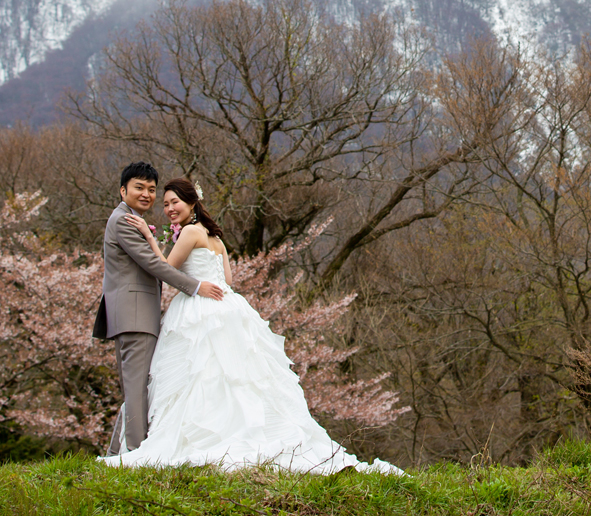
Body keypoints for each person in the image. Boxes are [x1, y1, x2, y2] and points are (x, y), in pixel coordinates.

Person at [101, 176, 403, 475]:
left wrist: (151, 238)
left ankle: (194, 436)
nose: (168, 208)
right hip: (228, 308)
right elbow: (229, 281)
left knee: (198, 373)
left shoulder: (190, 232)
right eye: (165, 204)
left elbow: (164, 268)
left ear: (192, 202)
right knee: (233, 376)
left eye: (174, 202)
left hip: (197, 309)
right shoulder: (215, 237)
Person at [93, 162, 224, 455]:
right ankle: (138, 453)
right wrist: (194, 286)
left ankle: (122, 452)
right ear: (123, 190)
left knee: (137, 387)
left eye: (152, 189)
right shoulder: (123, 221)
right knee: (138, 388)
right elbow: (153, 264)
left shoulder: (131, 218)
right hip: (135, 315)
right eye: (139, 187)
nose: (147, 194)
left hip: (135, 313)